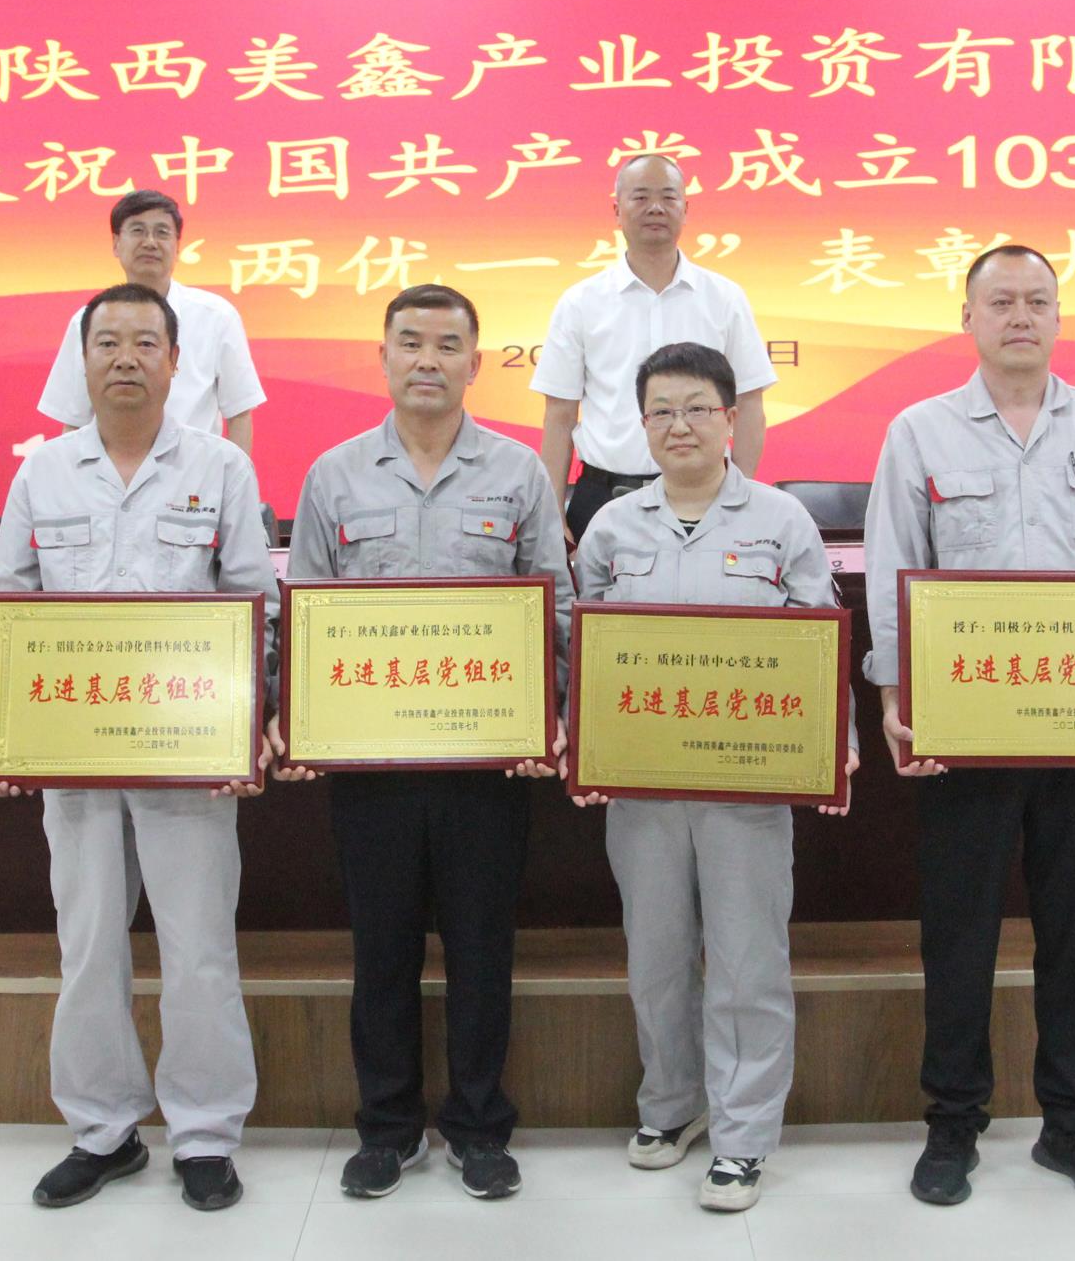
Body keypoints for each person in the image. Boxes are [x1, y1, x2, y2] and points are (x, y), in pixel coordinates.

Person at [862, 245, 1075, 1209]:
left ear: (1059, 318)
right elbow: (892, 567)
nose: (1020, 315)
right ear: (966, 317)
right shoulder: (919, 431)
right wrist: (893, 696)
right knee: (959, 932)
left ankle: (1069, 1121)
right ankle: (953, 1120)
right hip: (965, 726)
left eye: (1037, 301)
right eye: (1001, 301)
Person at [0, 281, 282, 1212]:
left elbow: (256, 604)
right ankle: (102, 1131)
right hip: (77, 755)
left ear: (178, 362)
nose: (126, 359)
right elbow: (11, 602)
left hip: (190, 755)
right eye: (108, 342)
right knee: (90, 945)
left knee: (199, 949)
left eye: (147, 342)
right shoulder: (42, 472)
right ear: (82, 361)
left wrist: (254, 723)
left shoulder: (221, 466)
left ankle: (205, 1134)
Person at [280, 284, 574, 1202]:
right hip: (371, 767)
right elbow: (303, 613)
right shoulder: (334, 475)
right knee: (383, 951)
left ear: (476, 364)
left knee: (483, 949)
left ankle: (480, 1128)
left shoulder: (519, 472)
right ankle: (388, 1128)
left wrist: (550, 716)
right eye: (410, 343)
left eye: (448, 346)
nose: (428, 361)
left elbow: (557, 609)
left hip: (487, 764)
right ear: (383, 357)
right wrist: (301, 716)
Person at [567, 342, 856, 1214]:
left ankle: (743, 1137)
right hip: (643, 789)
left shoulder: (781, 521)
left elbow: (821, 641)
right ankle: (671, 1106)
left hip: (748, 788)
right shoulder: (612, 528)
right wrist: (583, 748)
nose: (679, 425)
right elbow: (585, 656)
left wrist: (834, 743)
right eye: (661, 411)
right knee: (655, 958)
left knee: (745, 962)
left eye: (697, 408)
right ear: (640, 424)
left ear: (731, 418)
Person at [531, 154, 776, 542]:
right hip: (604, 495)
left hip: (706, 496)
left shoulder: (724, 298)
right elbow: (559, 417)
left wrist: (740, 499)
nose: (656, 208)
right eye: (641, 197)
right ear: (617, 210)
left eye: (668, 197)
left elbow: (748, 405)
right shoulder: (581, 302)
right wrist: (551, 513)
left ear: (686, 208)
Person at [38, 190, 267, 454]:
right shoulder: (88, 320)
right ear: (116, 244)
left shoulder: (217, 316)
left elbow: (239, 413)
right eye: (138, 230)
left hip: (195, 473)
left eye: (162, 232)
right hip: (108, 473)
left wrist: (237, 478)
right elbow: (74, 420)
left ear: (178, 247)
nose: (150, 242)